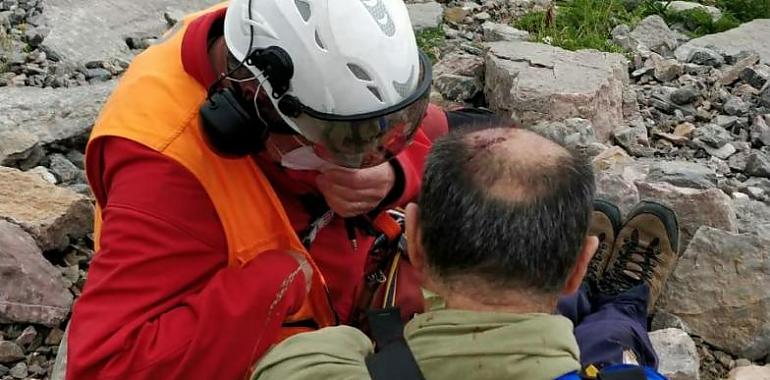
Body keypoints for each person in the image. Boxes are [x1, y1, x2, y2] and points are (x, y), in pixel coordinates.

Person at [58, 0, 499, 379]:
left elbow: (419, 133)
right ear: (255, 112)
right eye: (347, 140)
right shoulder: (166, 173)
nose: (371, 154)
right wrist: (277, 285)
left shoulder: (279, 40)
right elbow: (102, 365)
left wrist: (395, 174)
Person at [251, 127, 679, 380]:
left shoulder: (306, 366)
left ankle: (586, 298)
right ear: (578, 263)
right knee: (610, 343)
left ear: (414, 243)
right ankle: (623, 301)